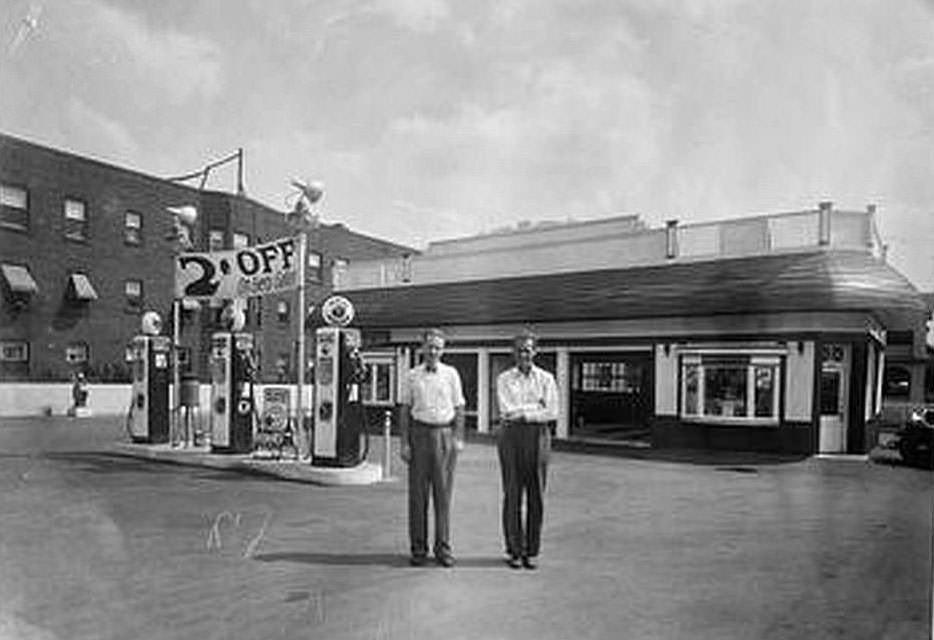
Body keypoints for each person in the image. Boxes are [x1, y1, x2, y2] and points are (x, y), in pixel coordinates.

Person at [399, 328, 466, 568]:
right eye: (430, 347)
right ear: (422, 348)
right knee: (417, 497)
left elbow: (459, 408)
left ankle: (443, 549)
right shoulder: (411, 376)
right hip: (419, 435)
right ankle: (418, 550)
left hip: (444, 435)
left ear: (443, 349)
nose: (433, 351)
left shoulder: (451, 374)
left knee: (443, 496)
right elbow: (405, 410)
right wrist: (404, 443)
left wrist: (458, 439)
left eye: (438, 347)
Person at [495, 330, 558, 570]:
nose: (524, 354)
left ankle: (531, 551)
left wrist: (523, 412)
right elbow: (506, 410)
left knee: (536, 496)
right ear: (513, 352)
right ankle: (513, 550)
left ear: (536, 351)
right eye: (519, 349)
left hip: (539, 437)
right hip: (510, 437)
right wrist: (535, 408)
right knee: (512, 494)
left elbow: (552, 412)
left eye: (528, 349)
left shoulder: (546, 379)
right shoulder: (504, 379)